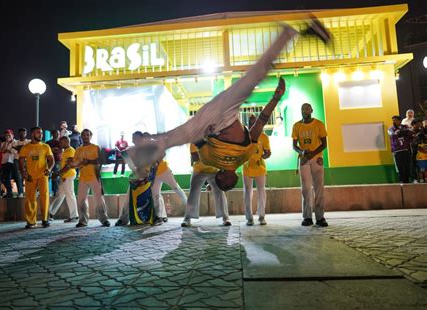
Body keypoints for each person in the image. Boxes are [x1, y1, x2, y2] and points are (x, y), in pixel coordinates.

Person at [122, 20, 331, 191]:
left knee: (174, 138)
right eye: (231, 185)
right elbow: (259, 124)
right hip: (229, 114)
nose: (233, 183)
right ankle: (290, 32)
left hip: (210, 120)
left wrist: (208, 134)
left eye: (228, 185)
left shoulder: (211, 160)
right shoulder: (245, 156)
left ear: (222, 177)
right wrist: (275, 99)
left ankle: (134, 155)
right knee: (254, 77)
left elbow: (196, 139)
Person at [292, 103, 328, 227]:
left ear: (311, 110)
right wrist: (302, 152)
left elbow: (324, 144)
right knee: (306, 189)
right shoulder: (297, 126)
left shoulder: (319, 124)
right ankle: (307, 217)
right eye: (302, 109)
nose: (304, 111)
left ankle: (320, 217)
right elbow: (294, 145)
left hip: (317, 159)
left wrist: (313, 153)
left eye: (307, 109)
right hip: (304, 160)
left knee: (319, 189)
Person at [65, 129, 111, 227]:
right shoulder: (78, 150)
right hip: (83, 178)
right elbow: (77, 164)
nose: (86, 136)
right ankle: (83, 221)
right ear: (81, 136)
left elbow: (100, 160)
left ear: (91, 136)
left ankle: (104, 220)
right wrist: (71, 164)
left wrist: (89, 162)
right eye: (84, 135)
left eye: (87, 135)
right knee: (81, 200)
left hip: (95, 177)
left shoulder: (95, 147)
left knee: (99, 200)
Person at [116, 131, 159, 226]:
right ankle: (122, 219)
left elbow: (155, 164)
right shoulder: (131, 150)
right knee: (128, 199)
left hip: (148, 177)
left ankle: (155, 217)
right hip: (136, 178)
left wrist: (151, 177)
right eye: (133, 138)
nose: (133, 140)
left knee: (152, 197)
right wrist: (135, 170)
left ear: (142, 139)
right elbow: (124, 155)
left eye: (136, 138)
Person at [181, 144, 230, 227]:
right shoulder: (195, 140)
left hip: (214, 170)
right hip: (199, 170)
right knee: (193, 192)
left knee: (219, 191)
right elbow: (195, 157)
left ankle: (226, 218)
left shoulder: (214, 140)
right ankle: (187, 218)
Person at [19, 127, 54, 229]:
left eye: (42, 133)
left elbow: (51, 160)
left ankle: (45, 220)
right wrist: (24, 173)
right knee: (30, 199)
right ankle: (31, 222)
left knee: (45, 197)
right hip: (30, 176)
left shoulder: (45, 146)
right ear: (32, 134)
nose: (41, 134)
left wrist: (50, 169)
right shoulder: (25, 147)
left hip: (43, 176)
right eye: (38, 133)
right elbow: (21, 162)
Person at [243, 114, 271, 226]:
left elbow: (268, 152)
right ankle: (249, 218)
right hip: (247, 166)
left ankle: (261, 216)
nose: (253, 124)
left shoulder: (264, 137)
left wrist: (266, 155)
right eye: (251, 122)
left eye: (255, 122)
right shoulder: (244, 137)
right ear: (248, 124)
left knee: (261, 192)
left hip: (260, 166)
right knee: (247, 192)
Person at [49, 136, 79, 222]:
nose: (60, 144)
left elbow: (68, 166)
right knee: (60, 195)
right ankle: (50, 213)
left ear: (66, 142)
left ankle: (74, 216)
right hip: (64, 176)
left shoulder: (70, 151)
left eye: (61, 142)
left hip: (68, 175)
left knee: (70, 195)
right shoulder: (65, 151)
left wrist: (58, 173)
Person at [388, 115, 412, 184]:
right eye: (393, 120)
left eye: (395, 120)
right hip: (397, 150)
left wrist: (403, 131)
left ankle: (407, 180)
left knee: (407, 166)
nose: (394, 121)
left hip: (405, 149)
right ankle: (402, 181)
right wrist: (398, 133)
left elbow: (410, 132)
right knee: (399, 166)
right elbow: (391, 134)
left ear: (399, 120)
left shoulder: (405, 127)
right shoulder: (391, 128)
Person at [0, 130, 20, 198]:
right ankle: (9, 192)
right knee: (4, 178)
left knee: (17, 177)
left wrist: (9, 150)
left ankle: (20, 192)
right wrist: (6, 143)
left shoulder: (16, 142)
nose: (7, 137)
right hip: (4, 162)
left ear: (12, 135)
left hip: (13, 161)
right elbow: (1, 150)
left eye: (9, 135)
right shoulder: (3, 143)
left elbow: (17, 151)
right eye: (6, 136)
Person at [12, 128, 30, 198]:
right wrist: (23, 148)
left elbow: (28, 150)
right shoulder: (15, 142)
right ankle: (20, 192)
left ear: (26, 134)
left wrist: (19, 148)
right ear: (18, 134)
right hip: (17, 160)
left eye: (24, 133)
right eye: (21, 133)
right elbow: (12, 150)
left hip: (27, 160)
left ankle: (30, 192)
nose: (22, 134)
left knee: (28, 175)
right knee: (18, 176)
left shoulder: (29, 141)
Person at [46, 130, 62, 196]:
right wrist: (53, 150)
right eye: (56, 133)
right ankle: (44, 191)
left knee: (55, 176)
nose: (57, 134)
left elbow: (60, 150)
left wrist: (53, 150)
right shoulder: (48, 142)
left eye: (58, 133)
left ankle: (55, 191)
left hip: (57, 160)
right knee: (47, 176)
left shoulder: (60, 142)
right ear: (52, 134)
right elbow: (47, 151)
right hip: (49, 161)